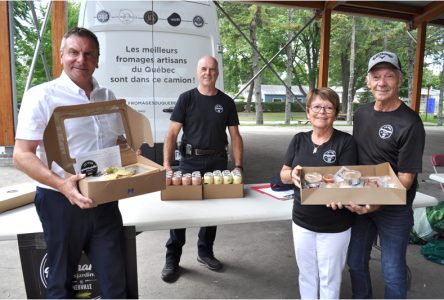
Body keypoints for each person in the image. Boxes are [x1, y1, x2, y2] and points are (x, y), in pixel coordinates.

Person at [13, 27, 127, 298]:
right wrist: (62, 185)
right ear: (62, 55)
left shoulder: (108, 96)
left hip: (104, 201)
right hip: (60, 203)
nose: (81, 60)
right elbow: (22, 154)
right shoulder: (41, 96)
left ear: (97, 60)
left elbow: (119, 144)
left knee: (115, 282)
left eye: (89, 54)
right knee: (61, 282)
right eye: (74, 52)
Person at [346, 51, 425, 299]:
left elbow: (405, 179)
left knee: (392, 269)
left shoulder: (410, 123)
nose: (382, 82)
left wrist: (376, 202)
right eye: (376, 76)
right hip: (362, 201)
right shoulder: (361, 114)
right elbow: (354, 160)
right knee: (356, 261)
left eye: (389, 76)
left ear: (399, 80)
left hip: (394, 207)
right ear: (368, 82)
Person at [161, 55, 244, 282]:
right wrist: (168, 166)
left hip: (217, 163)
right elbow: (171, 134)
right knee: (180, 212)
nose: (208, 73)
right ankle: (172, 259)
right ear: (197, 72)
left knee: (212, 212)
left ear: (217, 73)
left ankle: (205, 252)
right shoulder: (186, 99)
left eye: (212, 69)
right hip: (189, 163)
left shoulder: (226, 102)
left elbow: (235, 136)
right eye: (204, 69)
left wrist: (238, 166)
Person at [280, 87, 357, 299]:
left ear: (336, 112)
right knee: (306, 275)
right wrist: (293, 174)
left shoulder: (345, 142)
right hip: (302, 221)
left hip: (334, 225)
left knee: (329, 278)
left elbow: (348, 181)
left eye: (328, 107)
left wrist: (338, 194)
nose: (321, 111)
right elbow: (284, 173)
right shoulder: (298, 140)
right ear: (308, 111)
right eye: (316, 106)